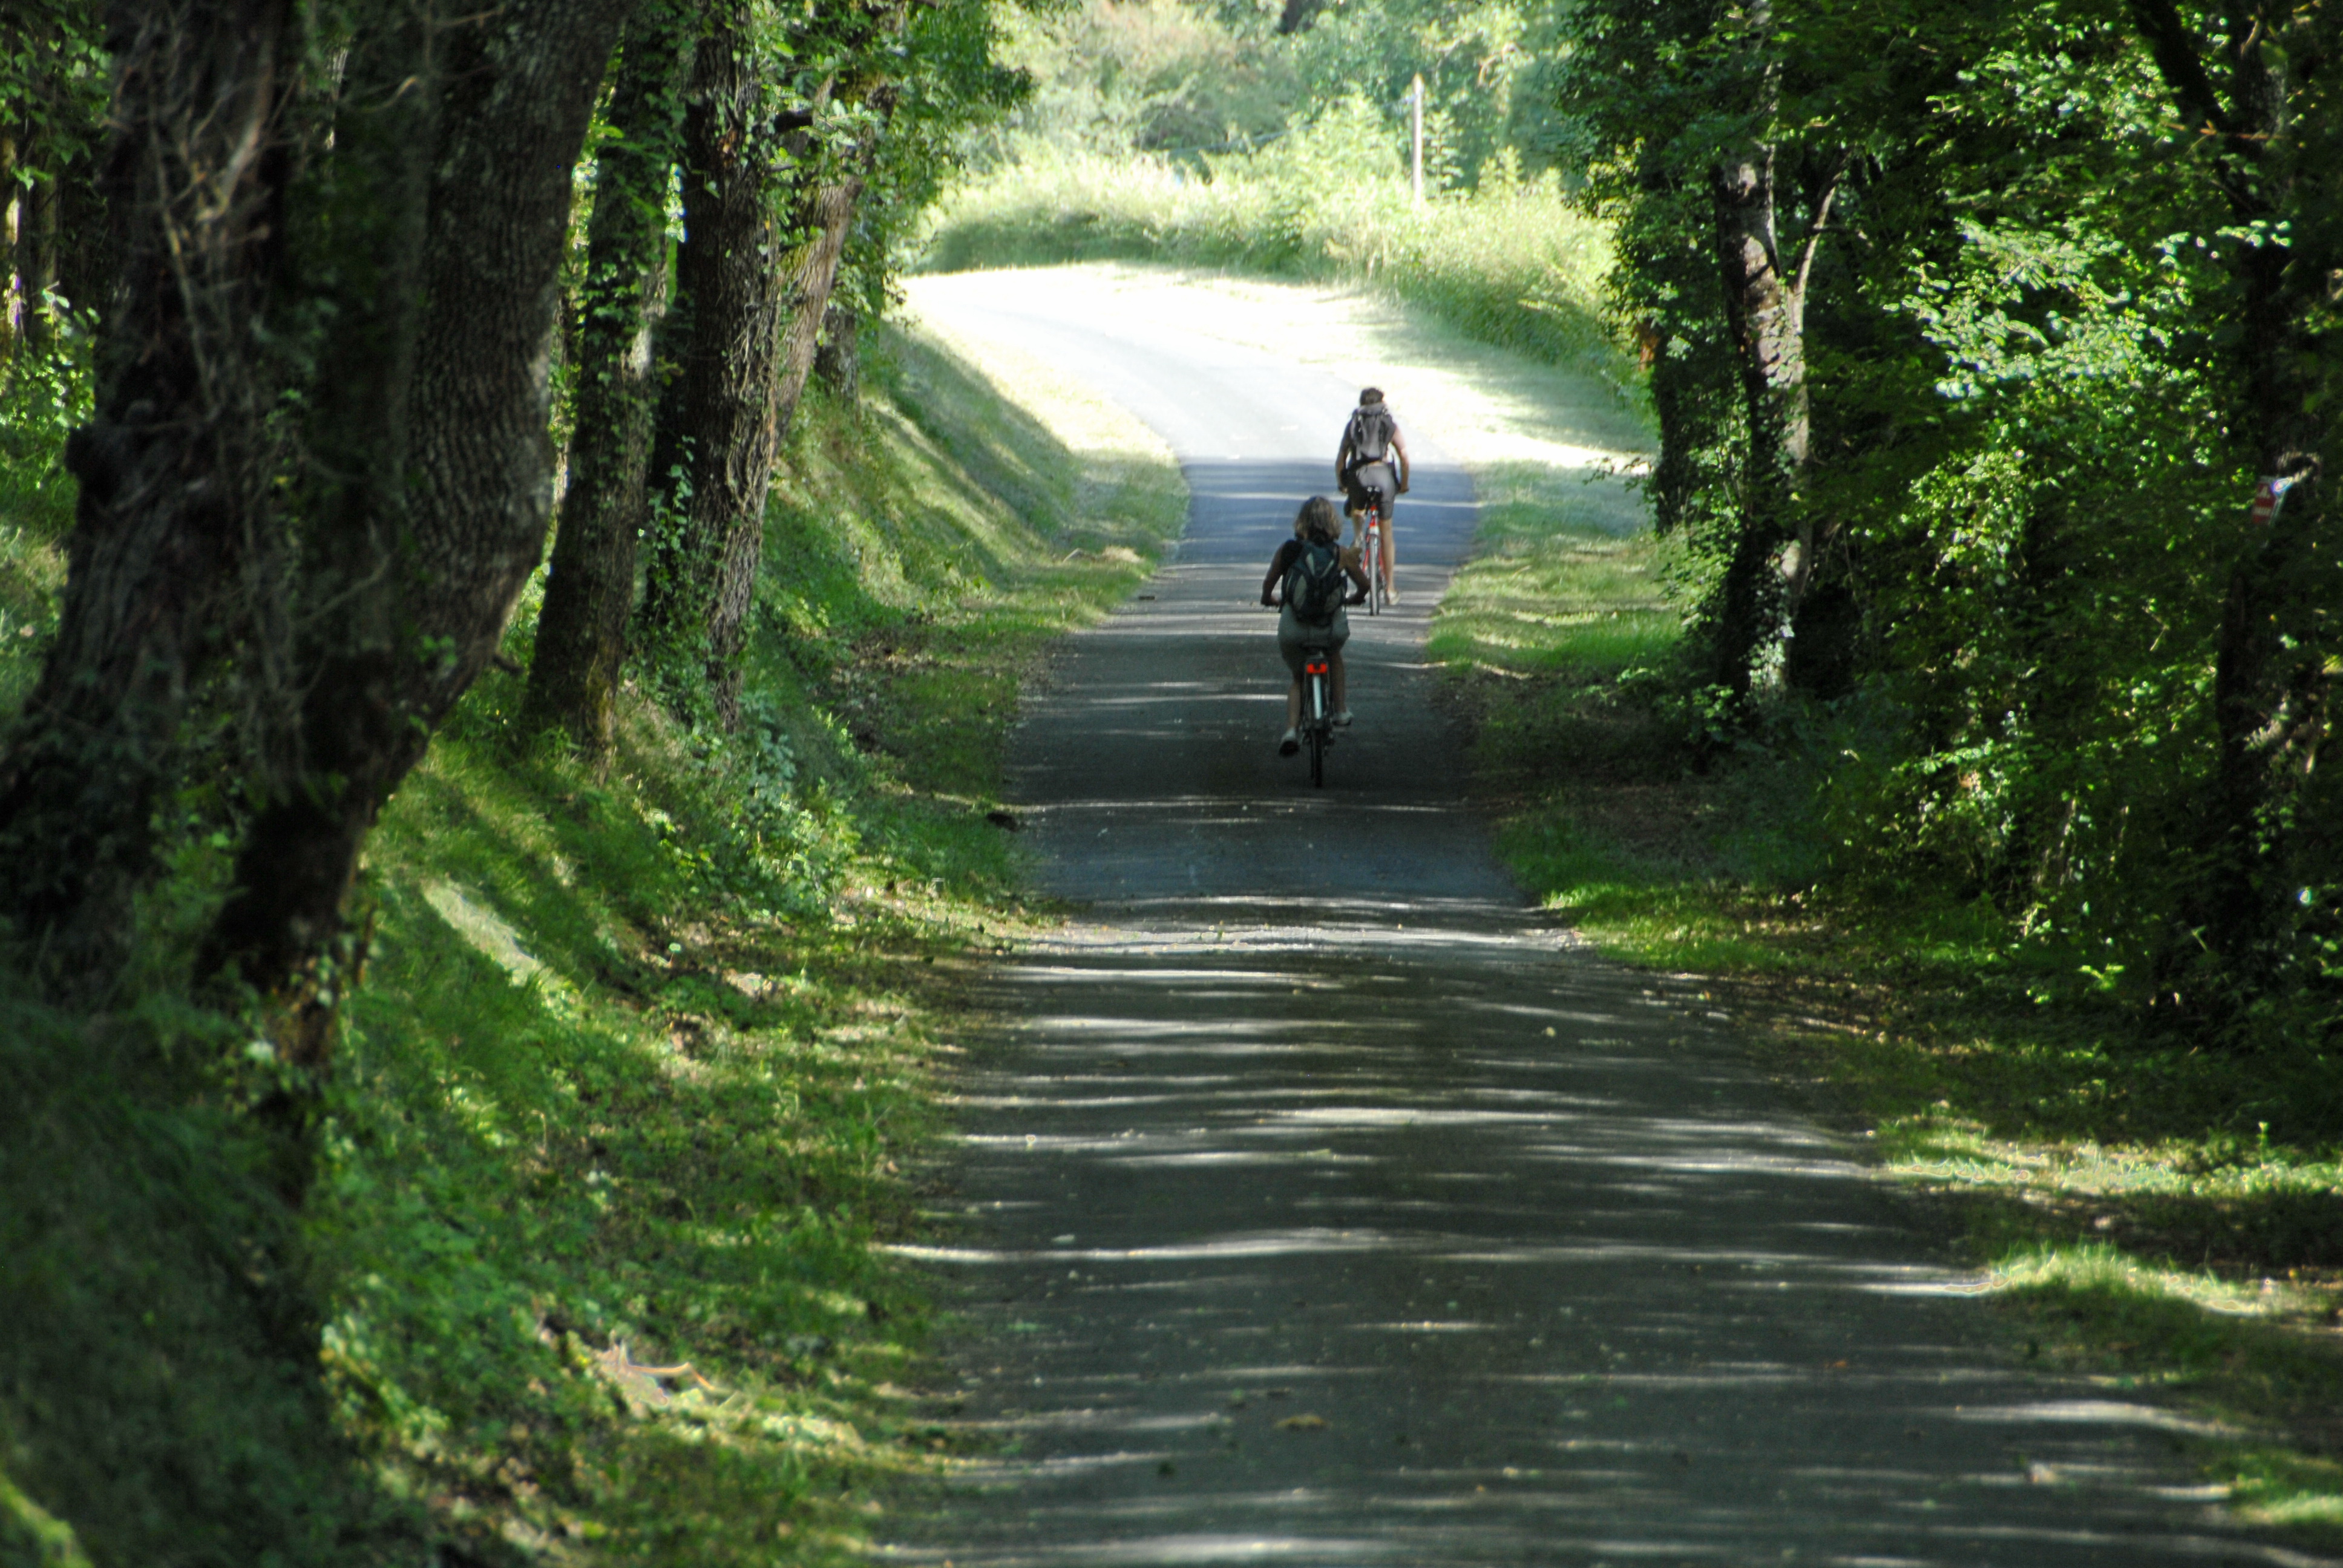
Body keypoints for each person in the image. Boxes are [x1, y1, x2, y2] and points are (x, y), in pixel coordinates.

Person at [1259, 496, 1369, 756]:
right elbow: (1364, 585)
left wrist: (1270, 600)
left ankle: (1290, 731)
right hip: (1331, 629)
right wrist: (1354, 599)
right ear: (1332, 523)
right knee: (1334, 655)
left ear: (1302, 523)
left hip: (1294, 629)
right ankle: (1340, 710)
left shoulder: (1289, 551)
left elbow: (1268, 586)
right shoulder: (1340, 553)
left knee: (1298, 677)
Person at [1335, 387, 1411, 604]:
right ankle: (1389, 589)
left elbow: (1341, 459)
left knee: (1357, 508)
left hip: (1359, 476)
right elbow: (1404, 457)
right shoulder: (1389, 424)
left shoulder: (1354, 423)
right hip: (1384, 477)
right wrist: (1403, 485)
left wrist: (1342, 483)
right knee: (1386, 532)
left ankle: (1359, 536)